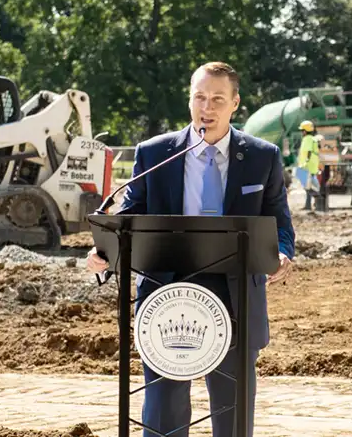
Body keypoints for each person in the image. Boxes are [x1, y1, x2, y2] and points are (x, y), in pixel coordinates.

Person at [86, 61, 295, 437]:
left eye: (217, 99)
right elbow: (129, 217)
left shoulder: (263, 157)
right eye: (199, 97)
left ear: (235, 104)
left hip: (234, 295)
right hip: (166, 294)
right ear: (189, 100)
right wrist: (105, 254)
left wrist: (282, 252)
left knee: (233, 412)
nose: (206, 108)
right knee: (163, 409)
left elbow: (278, 219)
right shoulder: (154, 154)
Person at [295, 120, 320, 211]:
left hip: (307, 166)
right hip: (311, 166)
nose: (302, 132)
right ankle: (309, 204)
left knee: (310, 187)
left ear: (305, 131)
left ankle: (318, 201)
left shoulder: (307, 139)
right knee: (308, 186)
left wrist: (306, 162)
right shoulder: (312, 138)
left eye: (302, 130)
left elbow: (308, 151)